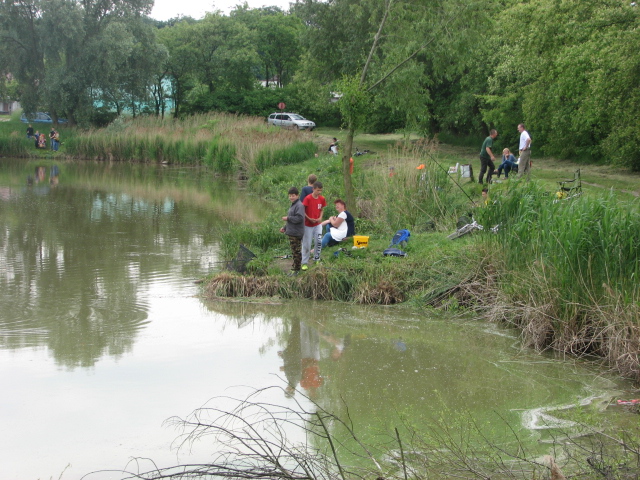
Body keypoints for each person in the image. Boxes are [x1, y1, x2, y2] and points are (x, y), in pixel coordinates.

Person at [280, 187, 305, 274]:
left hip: (296, 233)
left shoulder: (299, 205)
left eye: (293, 196)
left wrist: (288, 218)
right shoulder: (294, 205)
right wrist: (285, 228)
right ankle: (295, 267)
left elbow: (299, 218)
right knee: (294, 251)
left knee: (296, 252)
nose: (291, 197)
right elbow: (291, 220)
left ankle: (297, 270)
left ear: (297, 196)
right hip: (292, 231)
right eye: (290, 196)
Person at [301, 181, 326, 270]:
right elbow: (303, 211)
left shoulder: (322, 199)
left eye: (320, 190)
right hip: (308, 225)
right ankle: (304, 262)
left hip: (317, 224)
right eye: (318, 190)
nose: (319, 192)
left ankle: (316, 259)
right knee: (307, 244)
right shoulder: (307, 198)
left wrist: (320, 218)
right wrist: (309, 218)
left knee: (318, 241)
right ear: (313, 189)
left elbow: (322, 209)